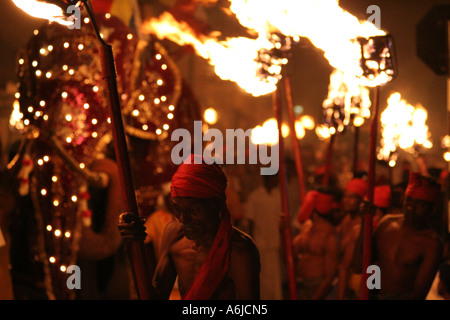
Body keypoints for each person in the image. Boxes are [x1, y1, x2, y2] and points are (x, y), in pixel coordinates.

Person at [119, 154, 260, 300]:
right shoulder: (174, 234)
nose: (183, 219)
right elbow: (156, 296)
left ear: (218, 203)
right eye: (177, 209)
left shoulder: (240, 250)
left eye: (194, 210)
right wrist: (132, 247)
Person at [372, 172, 443, 300]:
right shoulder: (386, 223)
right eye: (409, 201)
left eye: (420, 204)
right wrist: (371, 290)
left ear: (430, 209)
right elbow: (368, 263)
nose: (411, 208)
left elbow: (419, 293)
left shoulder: (431, 243)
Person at [293, 187, 339, 300]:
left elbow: (329, 278)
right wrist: (281, 232)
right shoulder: (306, 227)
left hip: (317, 289)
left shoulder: (330, 236)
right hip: (300, 285)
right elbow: (289, 256)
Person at [244, 173, 283, 299]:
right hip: (259, 244)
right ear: (269, 178)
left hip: (274, 244)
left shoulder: (279, 196)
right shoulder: (255, 196)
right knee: (261, 278)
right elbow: (250, 222)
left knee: (274, 281)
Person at [335, 177, 367, 300]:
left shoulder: (359, 227)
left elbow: (345, 266)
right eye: (345, 196)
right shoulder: (347, 219)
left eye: (351, 197)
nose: (346, 201)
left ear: (361, 200)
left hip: (352, 282)